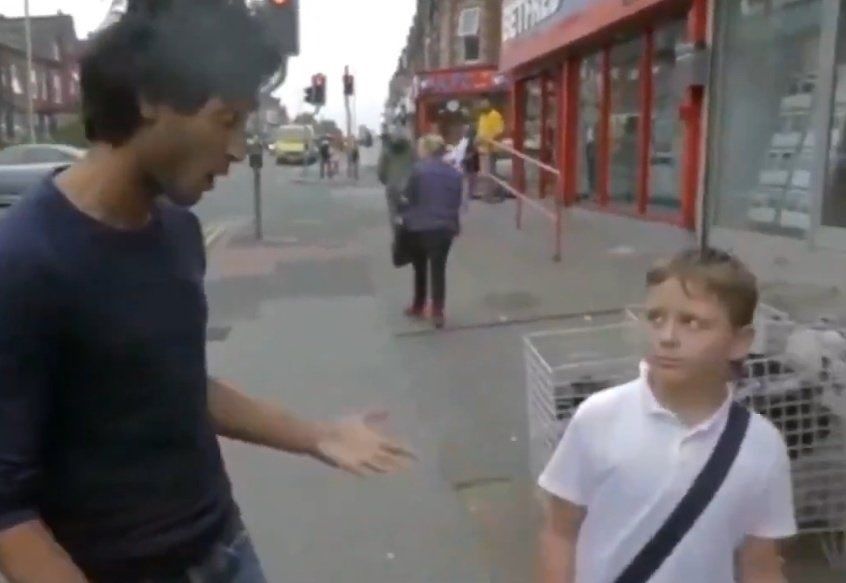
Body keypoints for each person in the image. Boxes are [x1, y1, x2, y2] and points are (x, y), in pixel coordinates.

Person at [0, 4, 414, 583]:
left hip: (225, 550)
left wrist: (316, 435)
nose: (241, 150)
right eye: (227, 120)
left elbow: (178, 384)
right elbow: (8, 515)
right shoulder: (23, 260)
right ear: (149, 99)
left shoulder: (176, 230)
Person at [537, 248, 797, 583]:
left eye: (692, 322)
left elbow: (760, 564)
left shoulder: (762, 446)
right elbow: (560, 532)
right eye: (656, 318)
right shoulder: (599, 417)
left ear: (740, 341)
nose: (667, 337)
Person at [401, 134, 463, 329]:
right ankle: (438, 310)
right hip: (445, 227)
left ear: (426, 150)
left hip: (420, 226)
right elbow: (457, 201)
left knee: (419, 267)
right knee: (438, 268)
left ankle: (419, 305)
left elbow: (408, 197)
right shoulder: (454, 173)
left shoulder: (417, 171)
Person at [377, 125, 415, 227]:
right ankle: (408, 232)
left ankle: (396, 233)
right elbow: (417, 166)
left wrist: (385, 180)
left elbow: (381, 169)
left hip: (392, 185)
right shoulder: (411, 150)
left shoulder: (387, 149)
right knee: (409, 210)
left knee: (393, 211)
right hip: (408, 185)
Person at [475, 98, 505, 202]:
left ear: (488, 105)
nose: (481, 107)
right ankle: (490, 193)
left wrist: (490, 142)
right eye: (481, 105)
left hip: (491, 148)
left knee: (491, 172)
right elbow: (480, 131)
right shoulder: (482, 116)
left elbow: (499, 132)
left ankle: (493, 194)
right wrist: (477, 141)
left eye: (483, 105)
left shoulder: (495, 115)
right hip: (483, 148)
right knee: (486, 172)